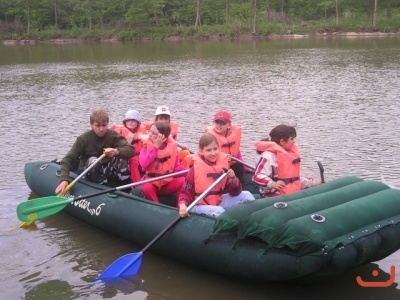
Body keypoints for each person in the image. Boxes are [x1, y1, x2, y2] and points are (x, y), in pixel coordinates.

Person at [55, 109, 135, 194]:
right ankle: (102, 189)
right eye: (98, 126)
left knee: (121, 156)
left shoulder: (112, 135)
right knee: (93, 160)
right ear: (91, 125)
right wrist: (64, 179)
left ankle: (125, 189)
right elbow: (67, 159)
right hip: (88, 172)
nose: (101, 129)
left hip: (106, 170)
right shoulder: (83, 139)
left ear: (107, 124)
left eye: (104, 125)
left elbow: (131, 149)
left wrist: (117, 151)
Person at [177, 133, 255, 218]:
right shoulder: (195, 169)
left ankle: (250, 222)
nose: (213, 153)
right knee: (219, 210)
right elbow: (185, 193)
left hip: (217, 201)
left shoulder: (223, 165)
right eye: (208, 150)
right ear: (201, 151)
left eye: (215, 149)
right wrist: (182, 205)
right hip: (197, 205)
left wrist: (233, 179)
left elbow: (235, 192)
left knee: (247, 195)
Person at [252, 124, 321, 198]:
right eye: (291, 139)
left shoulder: (290, 155)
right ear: (282, 141)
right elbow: (258, 176)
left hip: (291, 194)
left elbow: (295, 179)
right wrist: (272, 184)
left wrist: (313, 184)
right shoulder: (268, 156)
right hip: (272, 196)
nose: (294, 142)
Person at [139, 121, 186, 203]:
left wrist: (191, 173)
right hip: (152, 184)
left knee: (183, 181)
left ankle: (180, 206)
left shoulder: (171, 149)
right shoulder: (146, 147)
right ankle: (157, 207)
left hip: (167, 183)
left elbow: (177, 168)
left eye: (154, 133)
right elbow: (145, 165)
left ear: (163, 137)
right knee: (146, 187)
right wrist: (155, 147)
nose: (150, 135)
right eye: (150, 131)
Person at [204, 110, 247, 182]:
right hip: (214, 166)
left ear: (229, 125)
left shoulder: (232, 138)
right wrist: (222, 157)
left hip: (230, 167)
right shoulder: (209, 137)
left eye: (222, 123)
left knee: (238, 166)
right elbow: (205, 156)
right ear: (213, 123)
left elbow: (238, 156)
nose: (219, 125)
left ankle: (237, 186)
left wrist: (246, 168)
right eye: (217, 122)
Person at [111, 110, 147, 182]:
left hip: (139, 156)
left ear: (137, 123)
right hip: (125, 156)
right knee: (133, 161)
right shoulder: (119, 132)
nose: (130, 122)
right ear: (125, 122)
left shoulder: (143, 132)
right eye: (128, 120)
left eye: (133, 120)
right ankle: (136, 184)